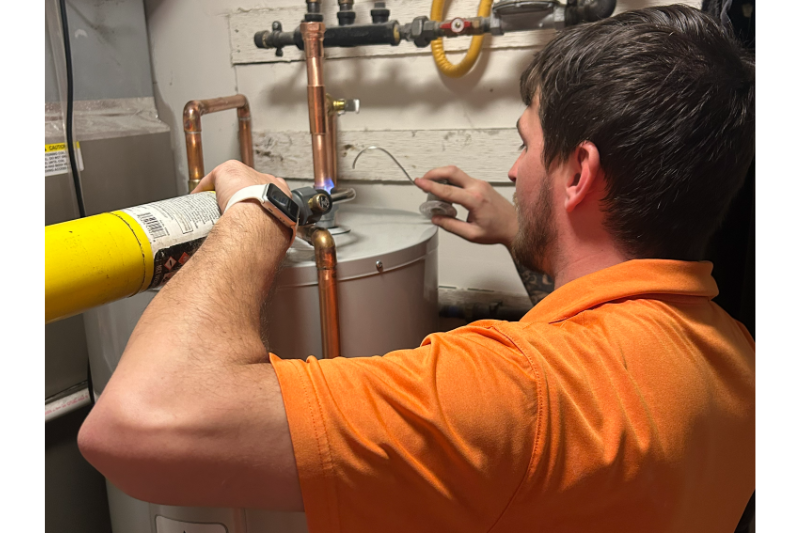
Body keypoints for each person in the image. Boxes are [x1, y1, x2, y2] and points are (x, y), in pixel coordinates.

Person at [77, 5, 755, 532]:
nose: (514, 169)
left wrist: (256, 212)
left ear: (579, 173)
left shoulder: (515, 394)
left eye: (527, 144)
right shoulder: (738, 359)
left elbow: (136, 423)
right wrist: (524, 235)